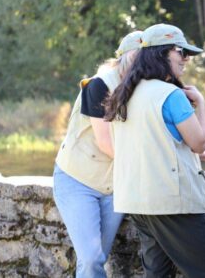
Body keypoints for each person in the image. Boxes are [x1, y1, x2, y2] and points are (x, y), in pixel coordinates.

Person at [103, 23, 205, 278]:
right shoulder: (171, 96)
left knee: (157, 275)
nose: (186, 60)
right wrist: (201, 103)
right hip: (171, 202)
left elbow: (150, 144)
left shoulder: (125, 93)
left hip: (137, 202)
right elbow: (198, 142)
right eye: (181, 52)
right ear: (162, 53)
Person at [53, 30, 142, 277]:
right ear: (130, 57)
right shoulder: (99, 85)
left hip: (114, 186)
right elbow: (106, 143)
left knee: (93, 262)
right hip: (77, 180)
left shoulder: (143, 89)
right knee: (91, 258)